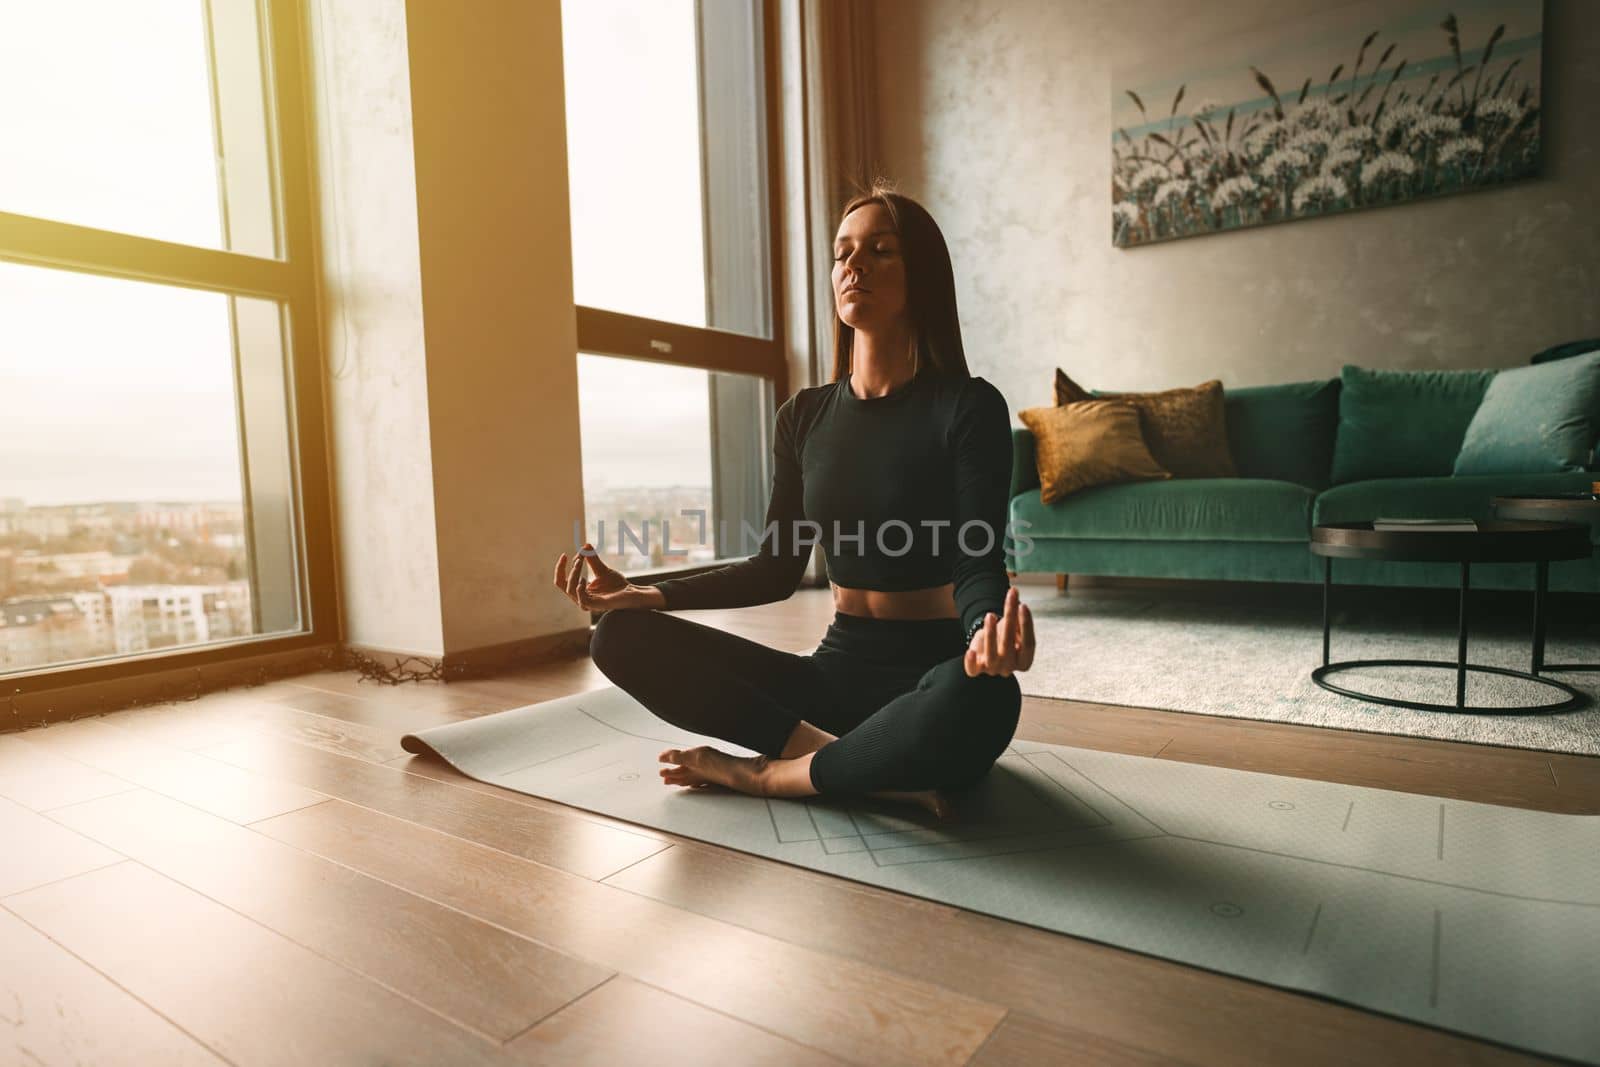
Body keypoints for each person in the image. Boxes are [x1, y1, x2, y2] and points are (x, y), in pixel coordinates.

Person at [553, 180, 1035, 819]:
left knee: (987, 697)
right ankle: (835, 762)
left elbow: (976, 562)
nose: (852, 265)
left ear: (921, 274)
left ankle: (768, 777)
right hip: (831, 680)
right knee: (618, 636)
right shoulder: (804, 416)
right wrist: (649, 592)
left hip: (931, 678)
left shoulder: (968, 407)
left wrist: (986, 632)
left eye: (880, 251)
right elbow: (774, 569)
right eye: (842, 253)